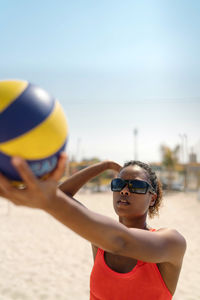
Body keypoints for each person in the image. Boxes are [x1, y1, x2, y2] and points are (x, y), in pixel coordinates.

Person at [0, 155, 186, 300]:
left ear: (152, 198)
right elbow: (62, 195)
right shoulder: (100, 237)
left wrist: (47, 201)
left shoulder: (172, 242)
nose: (124, 190)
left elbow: (121, 242)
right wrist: (103, 166)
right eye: (118, 183)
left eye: (135, 186)